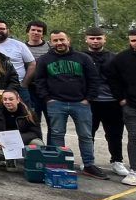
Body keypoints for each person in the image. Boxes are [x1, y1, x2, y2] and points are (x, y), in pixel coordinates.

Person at [32, 30, 107, 180]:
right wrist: (47, 98)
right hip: (56, 103)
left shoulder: (83, 58)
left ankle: (89, 165)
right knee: (57, 134)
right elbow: (39, 81)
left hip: (80, 103)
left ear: (68, 40)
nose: (59, 43)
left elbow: (94, 79)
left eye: (62, 39)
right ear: (51, 42)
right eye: (55, 40)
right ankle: (59, 163)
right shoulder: (44, 59)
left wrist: (88, 99)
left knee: (85, 135)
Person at [105, 28, 136, 186]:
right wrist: (120, 98)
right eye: (133, 40)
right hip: (133, 107)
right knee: (135, 138)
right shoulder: (122, 59)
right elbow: (111, 78)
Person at [83, 27, 125, 177]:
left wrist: (122, 97)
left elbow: (122, 78)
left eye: (99, 38)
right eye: (92, 38)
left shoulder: (114, 57)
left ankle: (117, 161)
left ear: (104, 39)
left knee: (115, 134)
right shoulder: (81, 57)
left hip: (112, 102)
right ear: (86, 39)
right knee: (88, 133)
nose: (95, 41)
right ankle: (89, 162)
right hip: (90, 102)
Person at [0, 89, 43, 170]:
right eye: (5, 99)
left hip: (24, 142)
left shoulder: (29, 113)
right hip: (6, 144)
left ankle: (30, 163)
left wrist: (18, 139)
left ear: (18, 100)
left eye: (11, 99)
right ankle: (10, 159)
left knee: (38, 143)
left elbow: (36, 133)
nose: (7, 102)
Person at [0, 19, 37, 112]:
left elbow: (32, 64)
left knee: (25, 114)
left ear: (7, 30)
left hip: (19, 87)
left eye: (1, 29)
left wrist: (24, 83)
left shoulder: (19, 45)